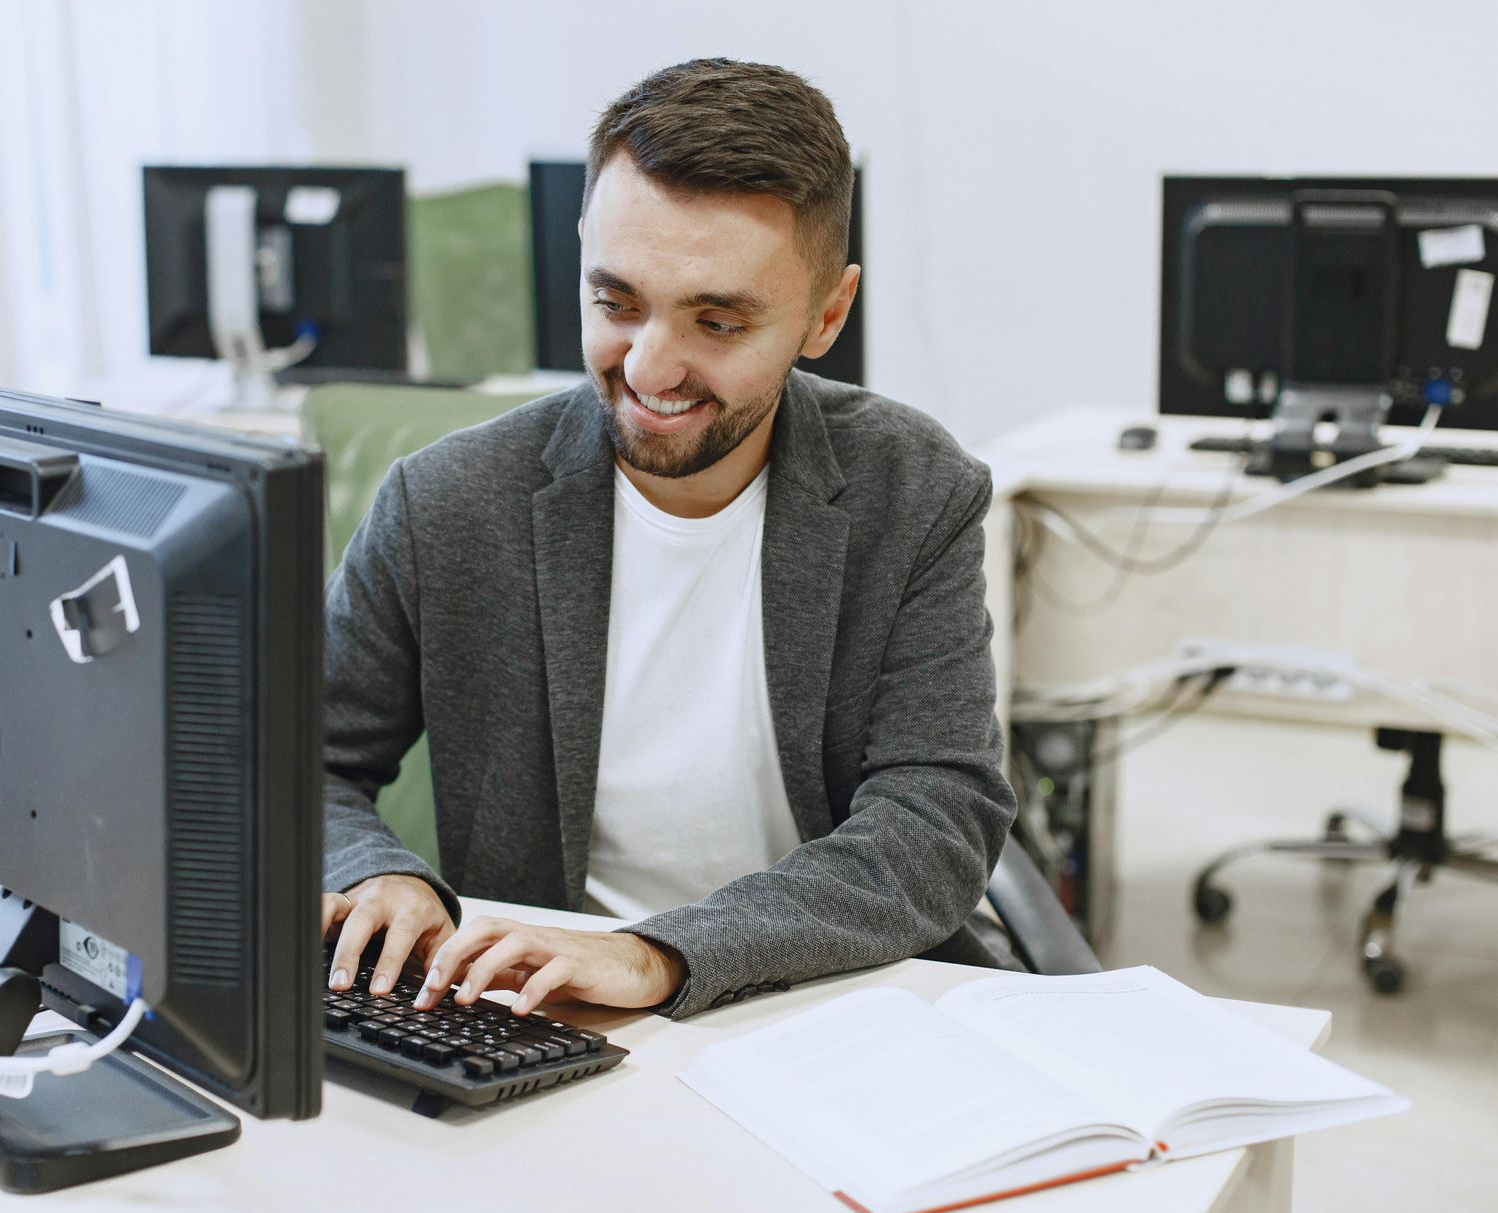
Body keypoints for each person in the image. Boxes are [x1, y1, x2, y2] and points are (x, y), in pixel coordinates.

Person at [322, 58, 1016, 1022]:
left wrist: (658, 954)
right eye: (616, 303)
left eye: (717, 321)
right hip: (551, 1022)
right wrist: (374, 873)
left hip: (842, 1007)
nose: (649, 366)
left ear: (827, 314)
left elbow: (936, 819)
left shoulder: (913, 490)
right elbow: (298, 763)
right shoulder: (446, 502)